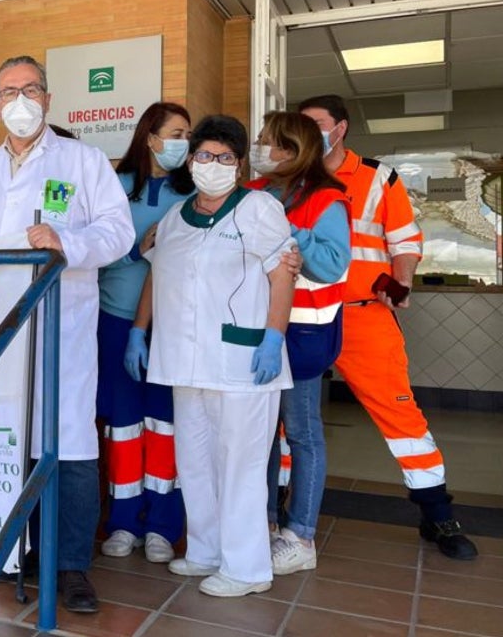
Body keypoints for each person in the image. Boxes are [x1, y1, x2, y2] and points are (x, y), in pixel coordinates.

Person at [0, 55, 135, 614]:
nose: (21, 101)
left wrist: (66, 241)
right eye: (9, 92)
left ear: (49, 100)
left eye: (31, 89)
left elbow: (119, 232)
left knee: (69, 440)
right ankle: (20, 553)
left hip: (63, 325)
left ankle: (71, 563)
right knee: (7, 437)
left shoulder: (82, 161)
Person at [299, 94, 478, 560]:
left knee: (400, 413)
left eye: (315, 124)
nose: (306, 132)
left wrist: (400, 283)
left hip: (363, 314)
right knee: (288, 420)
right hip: (301, 314)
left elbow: (404, 241)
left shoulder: (379, 177)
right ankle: (285, 507)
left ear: (340, 128)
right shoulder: (289, 176)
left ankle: (437, 513)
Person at [128, 114, 295, 597]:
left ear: (240, 165)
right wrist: (140, 331)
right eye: (204, 155)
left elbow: (282, 272)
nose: (213, 164)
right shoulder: (176, 217)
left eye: (225, 157)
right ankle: (204, 551)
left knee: (240, 465)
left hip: (243, 361)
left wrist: (273, 337)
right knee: (195, 460)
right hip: (184, 359)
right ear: (193, 159)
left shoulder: (258, 208)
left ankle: (246, 569)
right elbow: (157, 274)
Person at [245, 111, 351, 576]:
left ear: (290, 149)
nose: (260, 147)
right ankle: (264, 523)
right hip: (257, 331)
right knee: (264, 435)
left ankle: (301, 534)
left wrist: (289, 229)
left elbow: (331, 265)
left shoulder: (327, 199)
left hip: (304, 335)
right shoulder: (253, 192)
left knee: (302, 433)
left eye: (266, 140)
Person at [97, 102, 193, 564]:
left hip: (172, 325)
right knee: (123, 426)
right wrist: (137, 251)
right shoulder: (116, 188)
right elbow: (93, 252)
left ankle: (162, 525)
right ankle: (122, 521)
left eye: (187, 134)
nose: (183, 143)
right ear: (150, 137)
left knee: (165, 426)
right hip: (116, 320)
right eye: (175, 133)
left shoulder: (192, 192)